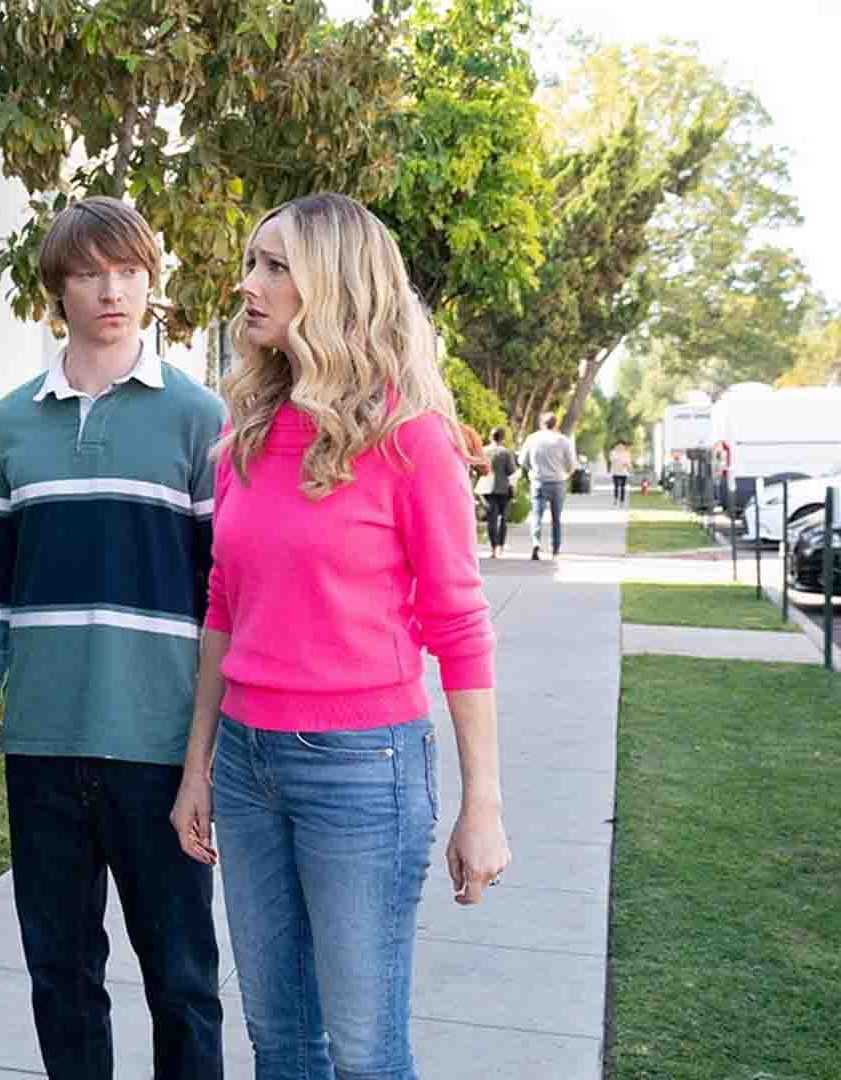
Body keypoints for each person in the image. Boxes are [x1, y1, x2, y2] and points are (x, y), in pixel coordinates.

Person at [169, 192, 510, 1080]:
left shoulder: (411, 437)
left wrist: (482, 805)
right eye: (253, 262)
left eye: (275, 267)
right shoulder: (246, 431)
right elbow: (223, 606)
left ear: (336, 286)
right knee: (280, 1042)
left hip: (361, 771)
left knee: (364, 1052)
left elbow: (460, 628)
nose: (248, 284)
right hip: (246, 765)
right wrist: (198, 767)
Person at [0, 196, 228, 1079]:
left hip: (159, 748)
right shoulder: (9, 425)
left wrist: (209, 752)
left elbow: (224, 602)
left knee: (183, 983)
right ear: (56, 291)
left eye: (130, 272)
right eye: (89, 274)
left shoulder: (201, 418)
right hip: (43, 747)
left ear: (151, 283)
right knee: (61, 980)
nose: (113, 292)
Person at [517, 411, 577, 560]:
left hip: (538, 481)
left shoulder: (532, 439)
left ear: (542, 423)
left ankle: (535, 543)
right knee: (556, 518)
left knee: (537, 515)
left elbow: (522, 461)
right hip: (558, 482)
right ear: (556, 424)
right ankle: (555, 550)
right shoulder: (563, 440)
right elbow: (572, 465)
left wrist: (532, 469)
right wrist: (566, 475)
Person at [482, 426, 517, 557]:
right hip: (503, 489)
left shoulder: (483, 451)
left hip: (487, 489)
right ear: (502, 438)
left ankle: (493, 548)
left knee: (491, 519)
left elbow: (478, 468)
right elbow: (511, 471)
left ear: (491, 437)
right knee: (503, 519)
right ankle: (500, 547)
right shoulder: (505, 453)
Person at [609, 441, 633, 505]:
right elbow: (612, 460)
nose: (620, 447)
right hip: (615, 472)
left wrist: (629, 468)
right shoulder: (613, 453)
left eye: (622, 446)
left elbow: (628, 462)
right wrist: (621, 461)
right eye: (618, 446)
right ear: (616, 446)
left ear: (624, 446)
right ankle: (615, 499)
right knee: (616, 486)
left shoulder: (626, 453)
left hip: (624, 472)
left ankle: (622, 501)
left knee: (623, 487)